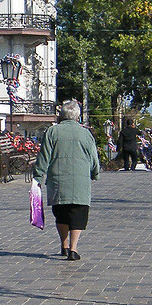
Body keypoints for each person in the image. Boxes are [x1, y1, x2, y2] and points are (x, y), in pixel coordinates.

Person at [32, 100, 100, 261]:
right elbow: (93, 157)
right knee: (78, 213)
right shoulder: (86, 134)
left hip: (58, 179)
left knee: (61, 213)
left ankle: (64, 245)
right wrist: (95, 173)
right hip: (80, 181)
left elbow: (44, 156)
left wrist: (38, 176)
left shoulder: (52, 132)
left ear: (62, 115)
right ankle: (73, 249)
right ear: (77, 116)